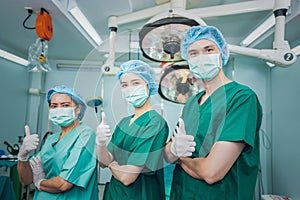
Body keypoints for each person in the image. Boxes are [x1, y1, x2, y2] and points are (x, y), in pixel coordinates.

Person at [164, 25, 263, 200]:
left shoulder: (241, 98)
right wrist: (173, 149)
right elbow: (167, 154)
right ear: (188, 59)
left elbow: (211, 172)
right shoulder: (192, 103)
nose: (201, 57)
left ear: (222, 52)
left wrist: (181, 159)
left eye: (208, 49)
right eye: (193, 53)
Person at [96, 60, 169, 199]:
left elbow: (127, 177)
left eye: (136, 83)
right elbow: (103, 162)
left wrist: (111, 163)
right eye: (125, 85)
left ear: (148, 86)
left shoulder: (155, 123)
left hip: (141, 195)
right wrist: (100, 144)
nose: (130, 88)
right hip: (115, 194)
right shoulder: (124, 123)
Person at [17, 85, 98, 200]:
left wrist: (40, 182)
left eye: (65, 105)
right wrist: (23, 156)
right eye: (54, 106)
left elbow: (63, 184)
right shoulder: (51, 139)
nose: (59, 109)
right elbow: (26, 180)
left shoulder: (86, 135)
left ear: (78, 108)